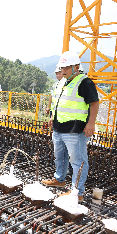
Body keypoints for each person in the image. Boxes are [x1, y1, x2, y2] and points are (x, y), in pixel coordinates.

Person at [42, 51, 99, 202]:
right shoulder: (62, 81)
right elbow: (58, 102)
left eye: (66, 67)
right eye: (62, 68)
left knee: (78, 160)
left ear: (76, 66)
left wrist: (91, 123)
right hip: (59, 127)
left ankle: (77, 192)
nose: (63, 70)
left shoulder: (84, 82)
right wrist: (52, 118)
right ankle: (59, 179)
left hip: (74, 128)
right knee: (59, 156)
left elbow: (94, 102)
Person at [46, 67, 73, 176]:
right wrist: (50, 110)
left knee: (68, 148)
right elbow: (52, 98)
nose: (58, 76)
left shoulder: (69, 85)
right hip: (56, 117)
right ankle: (61, 171)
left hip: (67, 121)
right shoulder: (56, 85)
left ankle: (70, 170)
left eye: (59, 74)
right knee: (59, 147)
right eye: (56, 74)